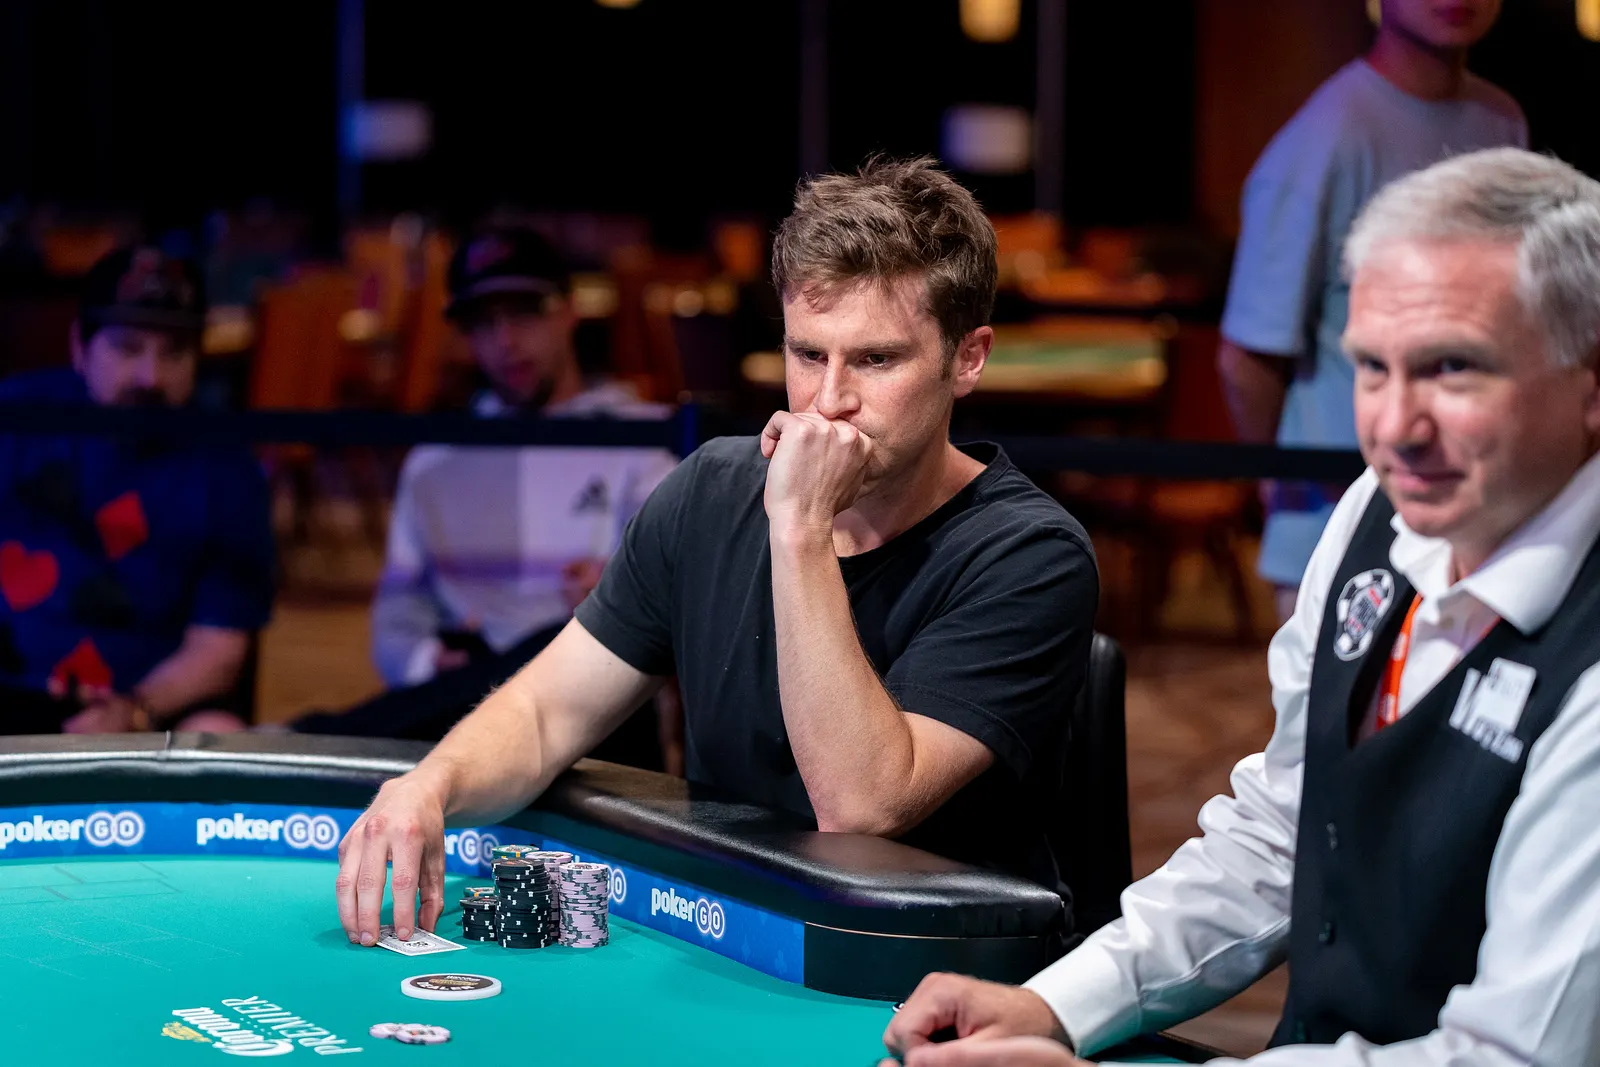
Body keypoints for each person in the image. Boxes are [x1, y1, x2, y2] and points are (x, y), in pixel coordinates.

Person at [881, 148, 1600, 1066]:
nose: (1396, 428)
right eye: (1372, 368)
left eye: (1454, 369)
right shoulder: (1374, 515)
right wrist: (1053, 1002)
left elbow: (1515, 1057)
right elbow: (1283, 832)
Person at [333, 157, 1099, 946]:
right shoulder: (708, 491)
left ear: (967, 358)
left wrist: (799, 527)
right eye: (808, 355)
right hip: (733, 941)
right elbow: (542, 714)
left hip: (925, 969)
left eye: (876, 359)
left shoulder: (1029, 554)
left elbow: (858, 807)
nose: (829, 400)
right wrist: (432, 784)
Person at [291, 226, 678, 765]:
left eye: (524, 314)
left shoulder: (639, 443)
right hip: (464, 710)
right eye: (483, 323)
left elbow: (676, 601)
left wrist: (618, 591)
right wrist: (427, 661)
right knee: (499, 689)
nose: (505, 341)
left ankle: (310, 742)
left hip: (599, 716)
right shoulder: (436, 462)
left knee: (579, 644)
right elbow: (398, 612)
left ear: (568, 311)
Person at [1217, 0, 1525, 622]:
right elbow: (1248, 357)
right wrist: (1282, 484)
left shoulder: (1500, 119)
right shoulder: (1327, 135)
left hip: (1477, 522)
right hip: (1342, 524)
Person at [0, 246, 274, 735]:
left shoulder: (228, 466)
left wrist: (132, 712)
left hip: (148, 711)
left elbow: (218, 650)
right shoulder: (17, 419)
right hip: (12, 693)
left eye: (175, 353)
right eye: (128, 348)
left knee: (219, 731)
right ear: (80, 347)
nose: (152, 377)